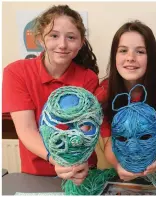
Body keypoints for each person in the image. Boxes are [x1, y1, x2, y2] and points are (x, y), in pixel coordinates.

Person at [2, 5, 100, 185]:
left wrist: (77, 163)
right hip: (36, 174)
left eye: (71, 37)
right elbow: (26, 129)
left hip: (81, 170)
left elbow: (86, 129)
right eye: (54, 36)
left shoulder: (88, 78)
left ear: (81, 42)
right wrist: (57, 159)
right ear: (40, 39)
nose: (62, 45)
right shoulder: (16, 73)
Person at [94, 20, 156, 181]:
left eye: (140, 52)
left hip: (152, 172)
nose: (130, 58)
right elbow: (110, 140)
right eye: (123, 50)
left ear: (151, 57)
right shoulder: (103, 92)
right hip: (113, 172)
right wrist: (119, 166)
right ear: (114, 55)